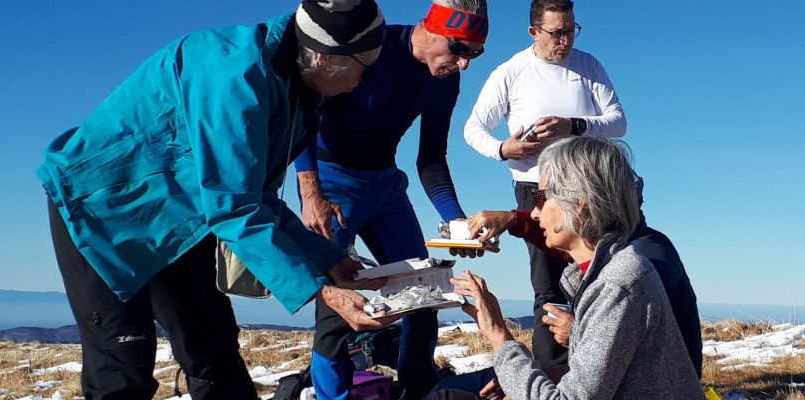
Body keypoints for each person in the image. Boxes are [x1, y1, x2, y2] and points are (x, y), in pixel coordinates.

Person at [35, 1, 396, 398]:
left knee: (213, 347)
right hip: (101, 212)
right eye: (369, 67)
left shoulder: (293, 85)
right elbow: (234, 207)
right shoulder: (235, 76)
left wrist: (328, 260)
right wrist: (320, 290)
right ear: (328, 58)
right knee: (122, 369)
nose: (367, 81)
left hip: (185, 217)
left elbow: (253, 197)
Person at [290, 1, 489, 398]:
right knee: (337, 302)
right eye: (459, 49)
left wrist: (458, 223)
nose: (464, 63)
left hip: (385, 184)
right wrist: (309, 188)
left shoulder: (445, 79)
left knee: (429, 289)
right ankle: (334, 396)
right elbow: (302, 110)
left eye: (475, 53)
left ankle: (419, 387)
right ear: (430, 28)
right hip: (332, 178)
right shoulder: (373, 48)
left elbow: (431, 157)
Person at [450, 137, 703, 400]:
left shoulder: (618, 284)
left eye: (540, 198)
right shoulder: (613, 268)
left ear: (579, 203)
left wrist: (497, 334)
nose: (535, 214)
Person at [460, 0, 626, 373]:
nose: (565, 40)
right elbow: (473, 130)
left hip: (590, 186)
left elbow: (618, 122)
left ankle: (601, 368)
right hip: (536, 189)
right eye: (557, 33)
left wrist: (575, 126)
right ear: (534, 32)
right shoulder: (512, 71)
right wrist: (505, 149)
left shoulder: (589, 65)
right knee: (550, 286)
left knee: (604, 274)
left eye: (571, 30)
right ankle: (552, 377)